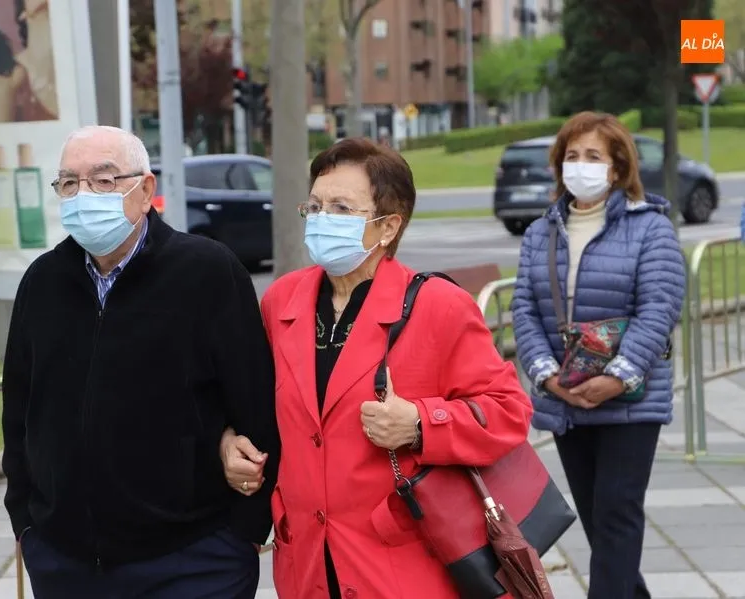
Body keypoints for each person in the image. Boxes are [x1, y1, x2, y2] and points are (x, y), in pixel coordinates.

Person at [219, 138, 532, 599]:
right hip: (306, 562)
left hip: (398, 564)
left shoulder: (438, 306)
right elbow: (255, 405)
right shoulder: (281, 300)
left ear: (387, 226)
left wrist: (422, 424)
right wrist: (230, 442)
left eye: (341, 208)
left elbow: (509, 411)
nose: (323, 220)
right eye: (317, 206)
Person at [1, 125, 279, 598]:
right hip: (66, 563)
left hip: (193, 560)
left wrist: (245, 533)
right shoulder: (42, 282)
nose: (84, 194)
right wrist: (26, 523)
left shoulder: (207, 272)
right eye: (69, 183)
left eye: (103, 180)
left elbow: (254, 404)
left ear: (145, 189)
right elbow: (19, 411)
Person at [510, 111, 686, 599]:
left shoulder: (649, 228)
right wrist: (547, 378)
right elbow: (523, 309)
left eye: (593, 157)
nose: (580, 166)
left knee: (616, 513)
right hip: (567, 400)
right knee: (599, 524)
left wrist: (617, 377)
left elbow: (660, 307)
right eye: (571, 156)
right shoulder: (540, 234)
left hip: (629, 404)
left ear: (616, 168)